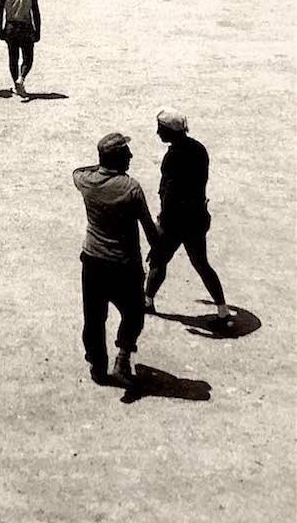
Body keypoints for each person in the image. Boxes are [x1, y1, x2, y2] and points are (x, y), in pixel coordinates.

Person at [73, 134, 160, 386]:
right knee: (134, 314)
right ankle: (122, 357)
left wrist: (100, 167)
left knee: (94, 317)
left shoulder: (86, 182)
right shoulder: (131, 187)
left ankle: (97, 365)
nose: (131, 156)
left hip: (92, 261)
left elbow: (77, 170)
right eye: (126, 153)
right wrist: (158, 254)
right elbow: (149, 228)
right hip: (125, 266)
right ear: (119, 158)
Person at [144, 110, 233, 327]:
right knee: (201, 263)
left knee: (158, 259)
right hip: (196, 217)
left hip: (175, 221)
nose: (157, 133)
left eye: (160, 129)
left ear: (169, 131)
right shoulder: (198, 149)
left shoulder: (173, 157)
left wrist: (161, 223)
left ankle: (147, 302)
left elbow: (169, 195)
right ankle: (223, 311)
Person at [0, 0, 41, 96]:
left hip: (10, 28)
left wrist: (0, 29)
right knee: (28, 58)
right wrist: (38, 31)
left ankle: (16, 83)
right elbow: (36, 14)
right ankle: (22, 78)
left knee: (13, 58)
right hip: (26, 28)